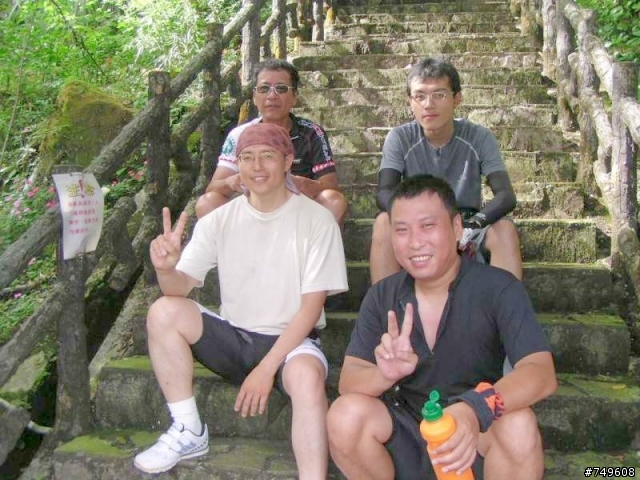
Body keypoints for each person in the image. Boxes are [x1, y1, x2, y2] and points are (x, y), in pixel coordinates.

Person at [134, 123, 349, 477]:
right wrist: (166, 268)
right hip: (235, 337)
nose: (257, 166)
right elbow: (178, 289)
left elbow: (311, 309)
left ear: (288, 161)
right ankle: (188, 429)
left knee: (308, 380)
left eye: (268, 156)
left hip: (292, 344)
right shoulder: (219, 220)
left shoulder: (317, 221)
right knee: (163, 311)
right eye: (247, 158)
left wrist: (266, 369)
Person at [327, 175, 557, 480]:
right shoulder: (383, 295)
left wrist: (474, 408)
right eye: (402, 230)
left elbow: (540, 372)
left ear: (457, 227)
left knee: (519, 424)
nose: (415, 242)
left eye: (428, 226)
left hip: (474, 436)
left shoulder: (499, 288)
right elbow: (349, 381)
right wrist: (385, 374)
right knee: (345, 415)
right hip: (408, 433)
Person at [369, 57, 522, 284]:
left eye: (439, 95)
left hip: (467, 221)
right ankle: (385, 304)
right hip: (417, 219)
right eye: (420, 96)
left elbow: (506, 195)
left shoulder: (479, 137)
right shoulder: (400, 137)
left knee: (504, 229)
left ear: (456, 98)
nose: (428, 104)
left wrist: (471, 225)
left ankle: (509, 305)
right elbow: (384, 191)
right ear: (410, 101)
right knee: (383, 222)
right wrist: (417, 218)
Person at [195, 58, 347, 225]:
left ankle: (311, 242)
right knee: (207, 202)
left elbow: (331, 186)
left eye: (281, 89)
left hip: (298, 212)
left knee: (334, 200)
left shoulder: (312, 133)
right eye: (264, 88)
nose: (272, 96)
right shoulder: (239, 135)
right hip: (252, 212)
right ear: (254, 97)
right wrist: (232, 182)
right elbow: (213, 188)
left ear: (295, 96)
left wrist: (300, 184)